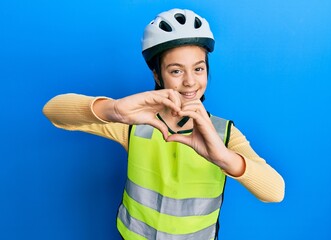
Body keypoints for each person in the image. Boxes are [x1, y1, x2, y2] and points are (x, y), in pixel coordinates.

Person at [43, 8, 285, 240]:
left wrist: (222, 157)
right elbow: (52, 110)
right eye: (176, 71)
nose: (190, 82)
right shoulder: (134, 124)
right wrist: (114, 109)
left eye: (198, 68)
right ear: (157, 75)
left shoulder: (224, 133)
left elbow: (275, 192)